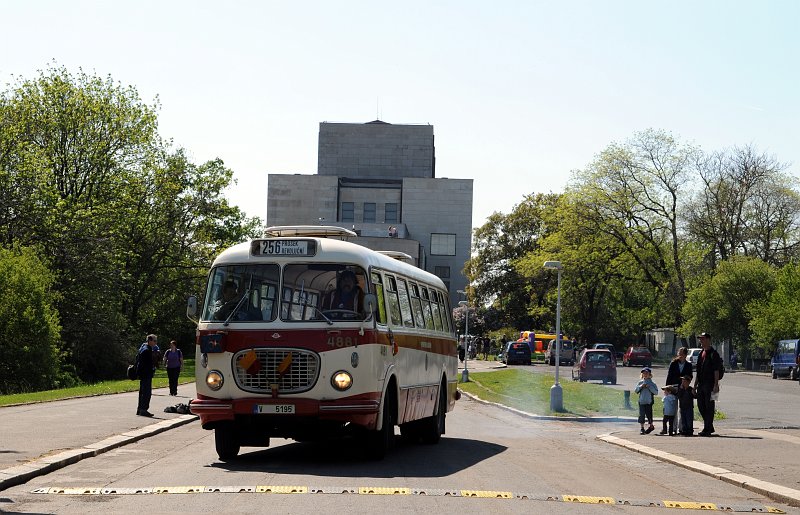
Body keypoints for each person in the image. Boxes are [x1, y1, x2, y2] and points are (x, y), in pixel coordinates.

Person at [693, 332, 723, 436]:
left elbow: (716, 370)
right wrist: (695, 385)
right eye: (700, 339)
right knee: (701, 405)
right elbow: (698, 371)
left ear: (709, 340)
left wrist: (716, 385)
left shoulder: (713, 354)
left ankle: (707, 429)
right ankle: (709, 426)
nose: (701, 341)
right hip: (701, 384)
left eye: (703, 339)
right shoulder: (701, 353)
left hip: (710, 384)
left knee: (709, 406)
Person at [136, 334, 159, 417]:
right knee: (146, 392)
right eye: (154, 341)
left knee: (142, 392)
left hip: (143, 374)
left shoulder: (143, 348)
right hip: (146, 374)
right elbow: (145, 364)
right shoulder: (146, 350)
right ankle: (144, 409)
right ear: (150, 340)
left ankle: (140, 409)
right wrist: (151, 369)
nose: (156, 343)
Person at [635, 367, 658, 434]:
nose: (645, 374)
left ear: (650, 374)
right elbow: (636, 390)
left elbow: (656, 392)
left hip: (649, 401)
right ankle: (642, 428)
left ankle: (651, 425)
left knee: (649, 414)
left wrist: (649, 387)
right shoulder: (640, 382)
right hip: (641, 401)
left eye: (646, 373)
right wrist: (641, 387)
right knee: (641, 415)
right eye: (644, 373)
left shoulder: (652, 383)